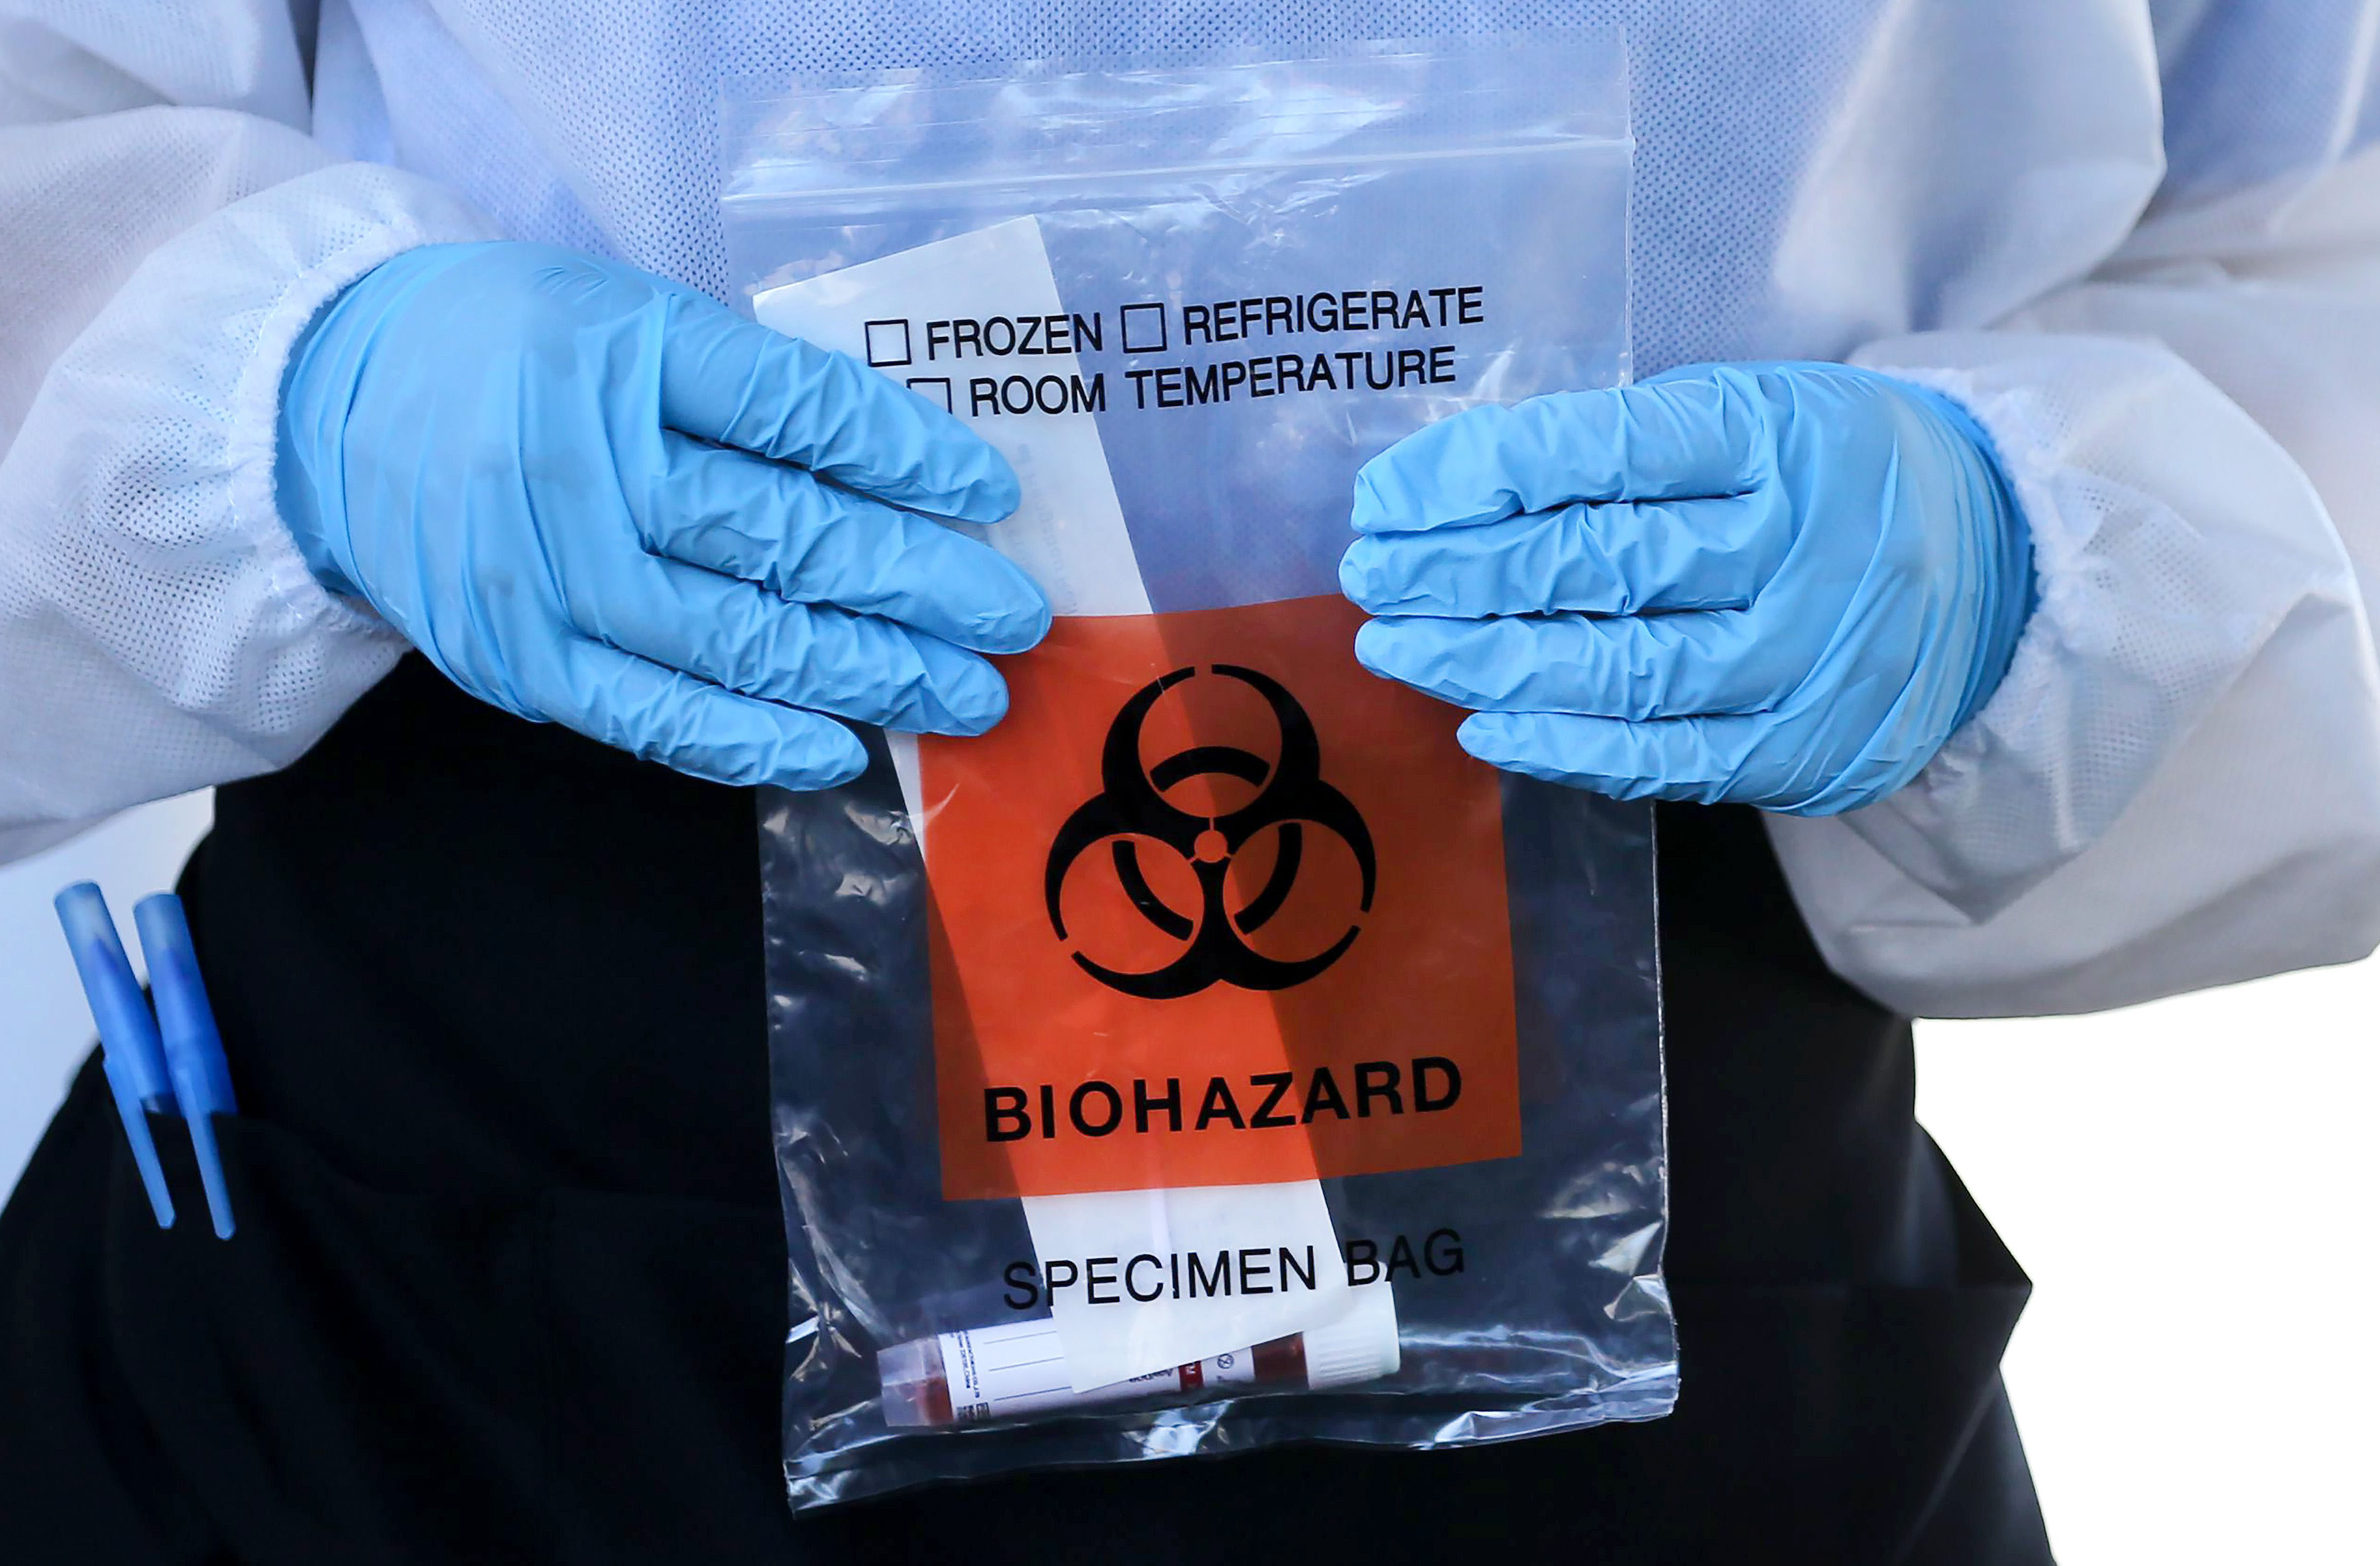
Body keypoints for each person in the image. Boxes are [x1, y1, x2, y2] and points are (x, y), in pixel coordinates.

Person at [3, 2, 2376, 1560]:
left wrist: (2041, 567)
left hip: (1648, 1159)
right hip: (489, 1231)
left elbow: (2311, 234)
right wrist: (285, 400)